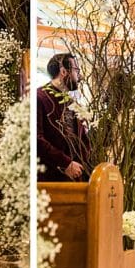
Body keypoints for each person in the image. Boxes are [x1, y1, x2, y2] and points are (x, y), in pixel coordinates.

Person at [37, 53, 91, 182]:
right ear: (63, 72)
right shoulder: (39, 97)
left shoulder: (71, 102)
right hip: (50, 179)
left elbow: (81, 140)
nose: (79, 76)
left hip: (75, 177)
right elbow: (36, 139)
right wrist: (65, 163)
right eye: (76, 70)